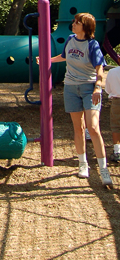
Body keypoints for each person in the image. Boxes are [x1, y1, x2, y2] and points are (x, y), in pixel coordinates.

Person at [37, 13, 112, 186]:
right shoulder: (70, 40)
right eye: (74, 22)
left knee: (93, 128)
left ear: (85, 27)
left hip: (89, 88)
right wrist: (46, 60)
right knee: (78, 128)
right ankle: (82, 164)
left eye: (77, 22)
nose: (73, 24)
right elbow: (64, 56)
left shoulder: (92, 45)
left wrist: (97, 88)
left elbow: (100, 69)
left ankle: (103, 168)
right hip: (70, 88)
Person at [105, 63, 120, 163]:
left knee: (116, 126)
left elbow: (107, 90)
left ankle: (117, 151)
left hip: (116, 101)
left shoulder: (112, 72)